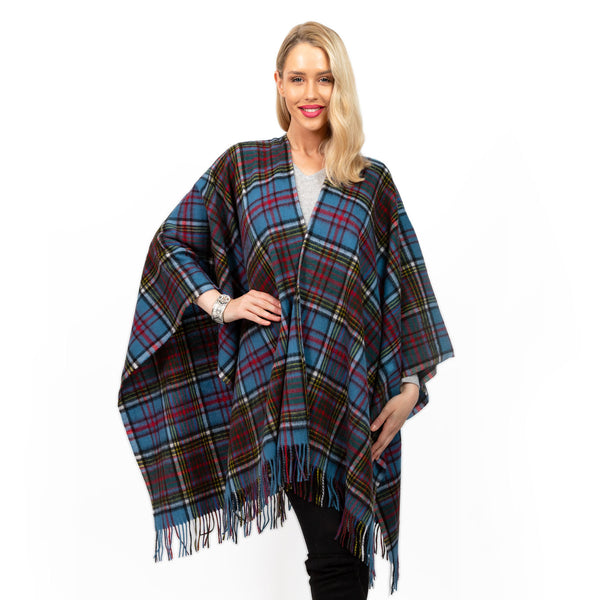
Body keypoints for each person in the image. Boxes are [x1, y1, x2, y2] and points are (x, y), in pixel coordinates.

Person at [117, 21, 454, 600]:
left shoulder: (370, 182)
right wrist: (224, 306)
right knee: (335, 560)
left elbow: (401, 285)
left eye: (324, 79)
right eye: (297, 78)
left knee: (346, 561)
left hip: (349, 393)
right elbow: (171, 244)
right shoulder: (244, 168)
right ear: (278, 83)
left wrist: (409, 387)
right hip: (277, 397)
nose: (310, 93)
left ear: (340, 85)